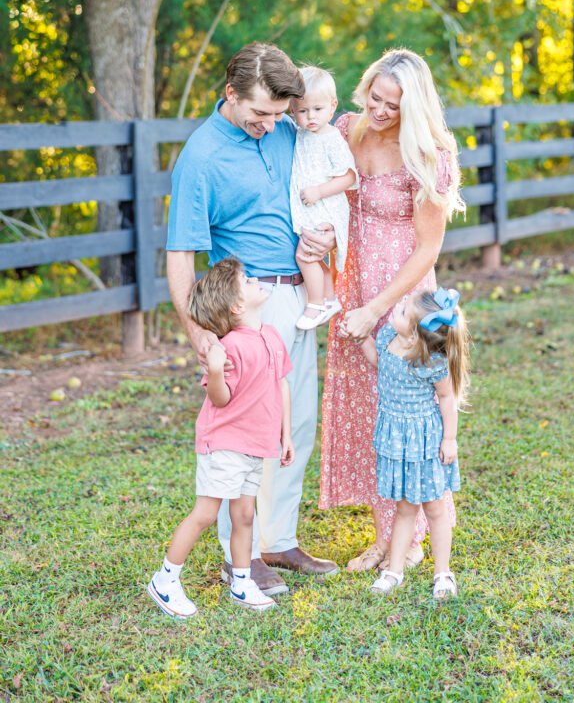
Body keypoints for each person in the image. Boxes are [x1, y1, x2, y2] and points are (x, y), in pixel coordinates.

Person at [166, 42, 338, 599]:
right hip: (245, 310)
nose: (269, 125)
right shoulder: (201, 157)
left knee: (297, 424)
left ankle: (277, 539)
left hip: (300, 298)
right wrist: (199, 334)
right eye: (258, 115)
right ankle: (236, 558)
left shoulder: (289, 128)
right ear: (229, 94)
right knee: (245, 436)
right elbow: (179, 255)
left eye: (277, 115)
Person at [318, 48, 465, 571]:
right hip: (349, 278)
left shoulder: (426, 155)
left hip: (397, 292)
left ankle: (402, 538)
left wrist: (377, 307)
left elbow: (428, 248)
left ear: (415, 108)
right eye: (375, 97)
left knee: (401, 404)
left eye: (393, 106)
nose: (379, 111)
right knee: (365, 404)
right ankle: (389, 529)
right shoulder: (344, 128)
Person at [147, 258, 295, 617]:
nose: (255, 279)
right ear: (238, 306)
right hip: (225, 443)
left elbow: (281, 385)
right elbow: (219, 398)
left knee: (244, 515)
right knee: (206, 513)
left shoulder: (271, 336)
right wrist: (214, 369)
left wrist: (285, 434)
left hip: (255, 445)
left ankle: (242, 582)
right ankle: (165, 580)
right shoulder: (229, 348)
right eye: (246, 280)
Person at [361, 287, 470, 601]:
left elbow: (447, 398)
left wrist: (449, 439)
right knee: (404, 508)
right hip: (397, 439)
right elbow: (378, 363)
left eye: (404, 311)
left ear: (413, 338)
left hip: (424, 441)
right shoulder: (387, 338)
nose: (398, 308)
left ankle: (443, 573)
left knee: (434, 509)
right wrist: (362, 340)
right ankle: (394, 570)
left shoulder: (429, 361)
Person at [289, 66, 357, 331]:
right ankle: (329, 299)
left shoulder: (331, 139)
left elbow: (349, 177)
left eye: (317, 109)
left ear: (332, 106)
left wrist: (318, 191)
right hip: (312, 207)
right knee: (315, 255)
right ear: (292, 111)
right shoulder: (303, 134)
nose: (310, 117)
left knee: (305, 254)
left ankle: (315, 303)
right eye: (302, 111)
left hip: (326, 206)